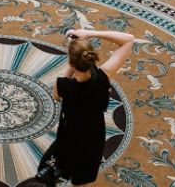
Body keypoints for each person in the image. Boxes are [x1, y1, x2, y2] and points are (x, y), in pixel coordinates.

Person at [50, 28, 135, 186]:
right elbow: (128, 39)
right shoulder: (104, 77)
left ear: (72, 61)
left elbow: (56, 96)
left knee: (63, 162)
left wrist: (72, 55)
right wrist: (89, 33)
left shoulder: (62, 84)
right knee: (82, 177)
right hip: (93, 136)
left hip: (69, 134)